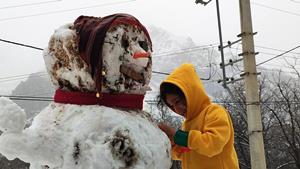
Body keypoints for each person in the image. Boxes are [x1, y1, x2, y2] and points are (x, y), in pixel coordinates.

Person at [157, 63, 239, 169]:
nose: (176, 109)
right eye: (172, 106)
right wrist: (171, 143)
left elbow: (213, 144)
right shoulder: (188, 123)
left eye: (177, 101)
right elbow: (186, 152)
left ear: (191, 93)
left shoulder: (214, 112)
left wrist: (178, 136)